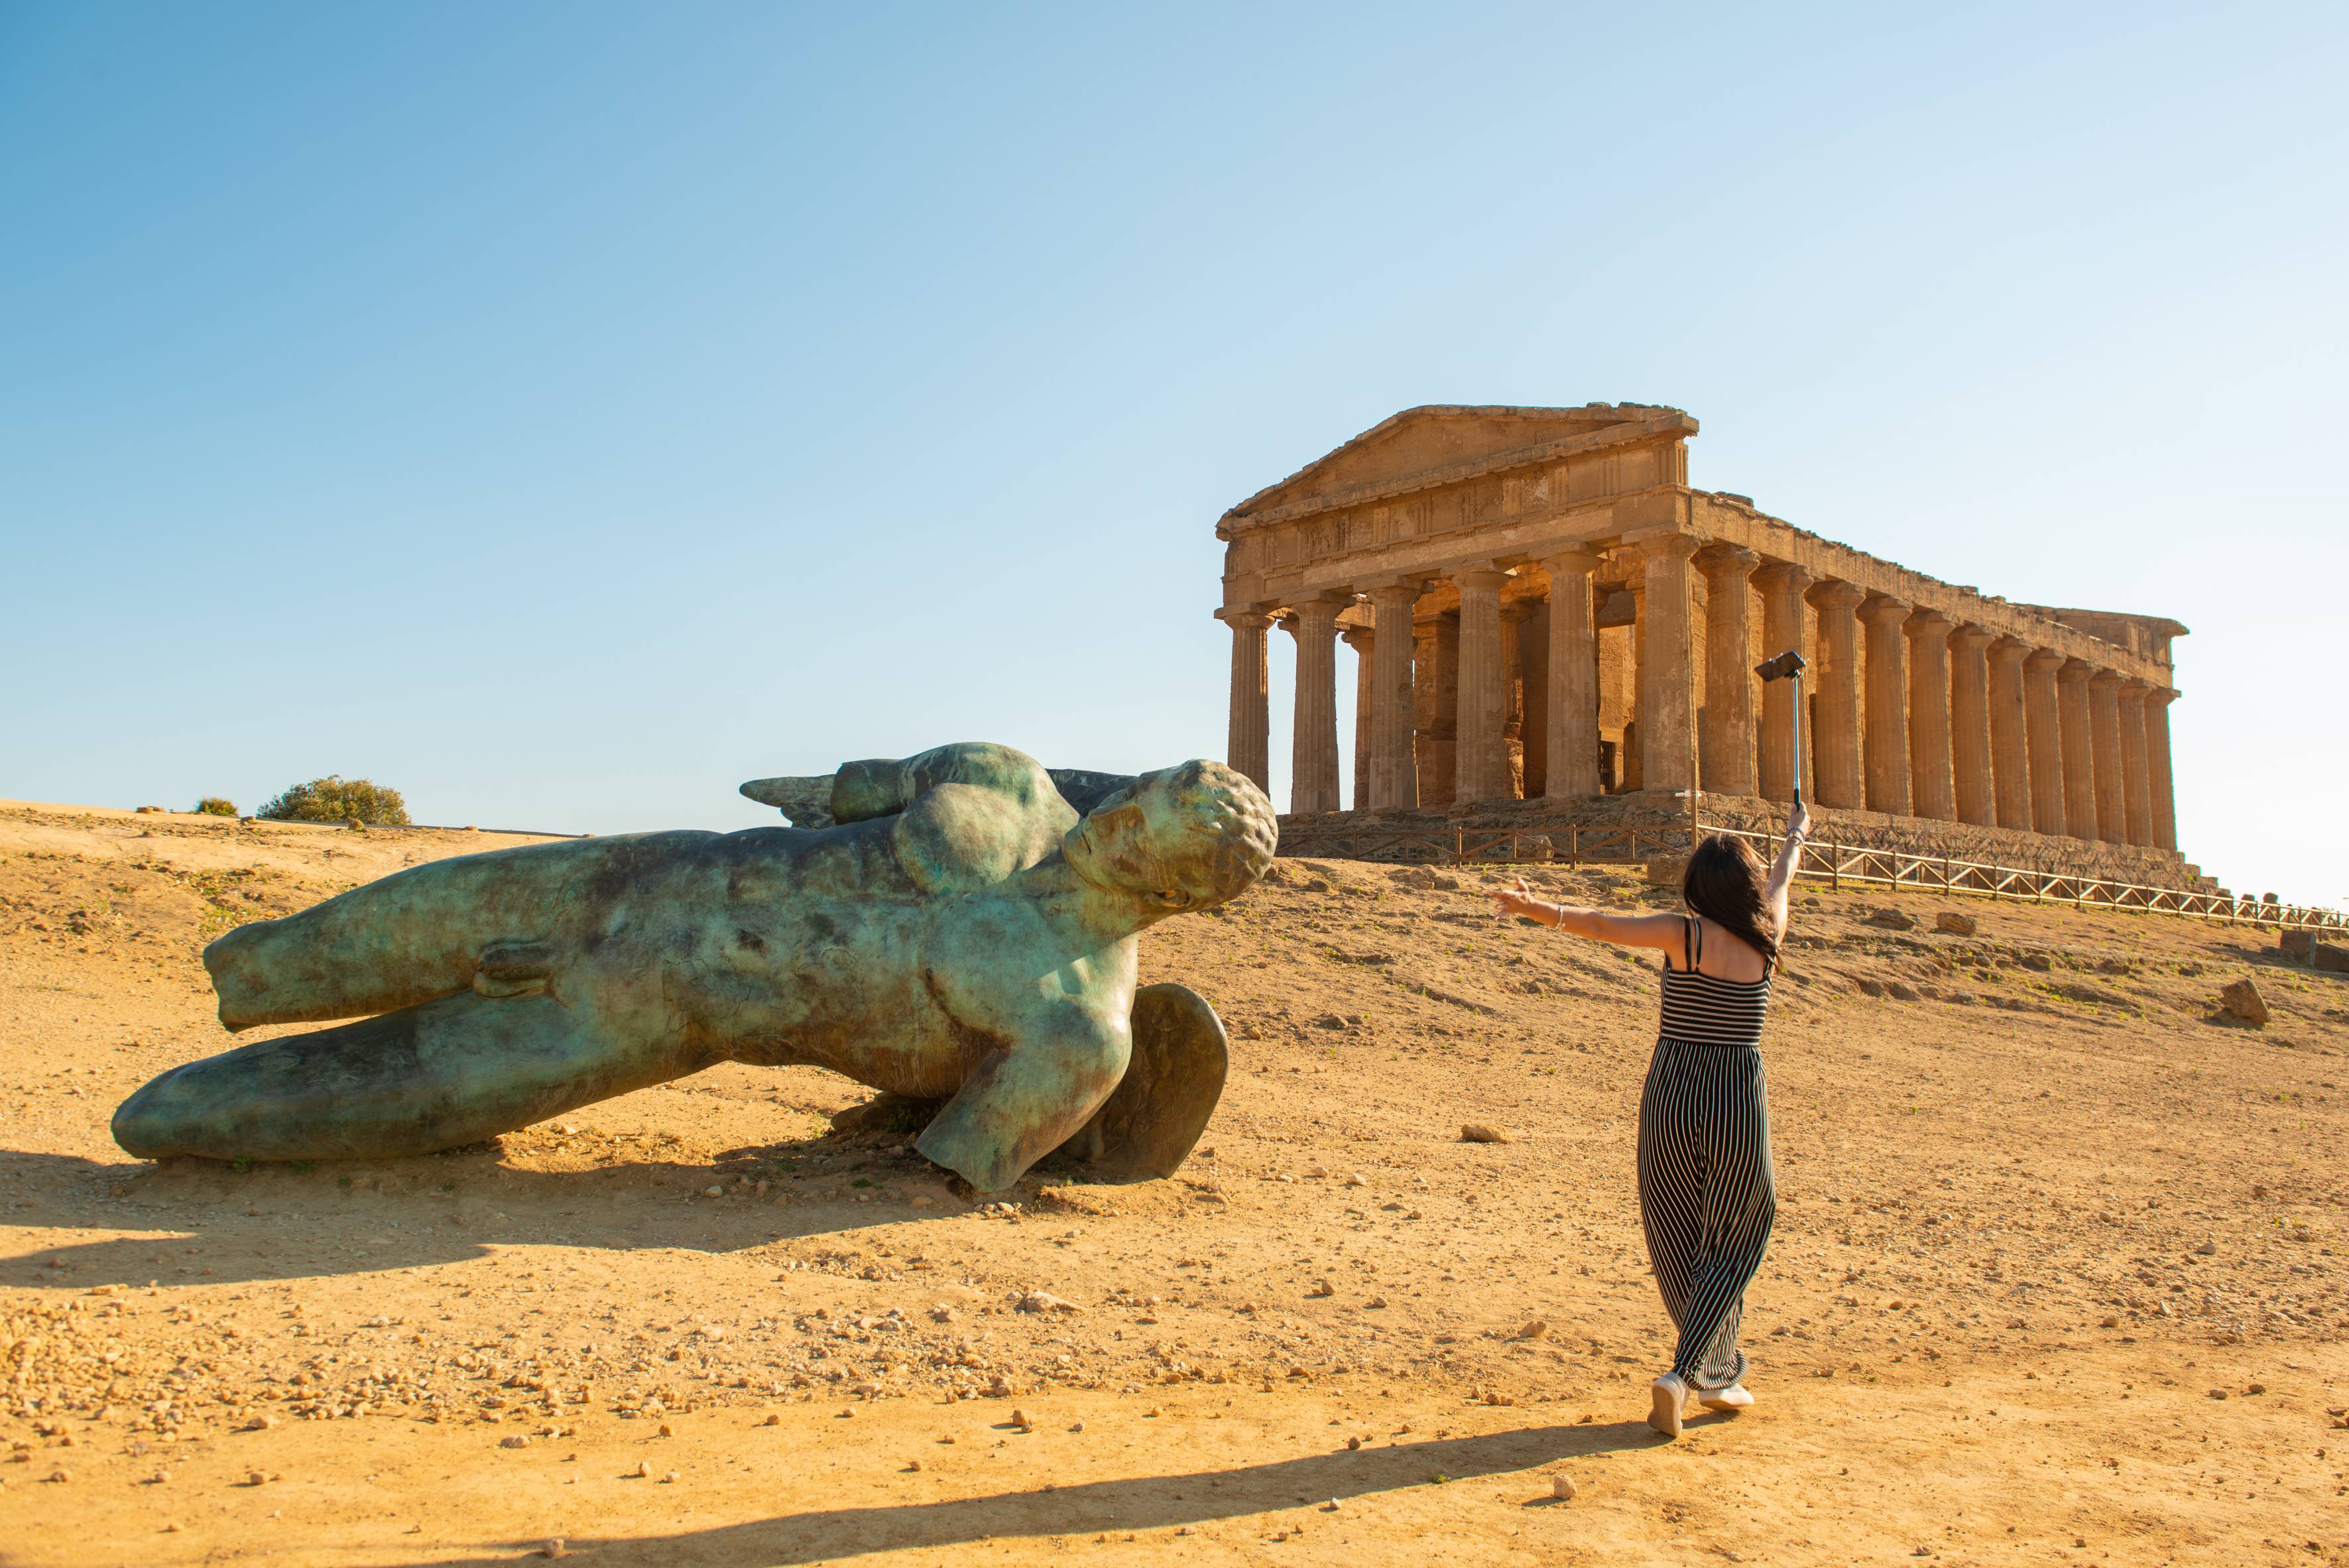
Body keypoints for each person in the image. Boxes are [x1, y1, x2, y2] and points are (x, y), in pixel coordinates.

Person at [113, 743, 1278, 1193]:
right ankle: (260, 979)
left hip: (641, 1018)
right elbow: (853, 785)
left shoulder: (1080, 1029)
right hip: (642, 876)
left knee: (173, 1117)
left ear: (1176, 897)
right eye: (1133, 799)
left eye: (1139, 841)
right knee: (269, 961)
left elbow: (939, 1173)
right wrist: (815, 792)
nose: (1108, 824)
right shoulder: (1009, 781)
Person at [1490, 800, 1809, 1438]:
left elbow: (1603, 924)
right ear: (1745, 889)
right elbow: (1781, 881)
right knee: (1739, 1230)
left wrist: (1533, 909)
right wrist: (1795, 835)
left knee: (1675, 1226)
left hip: (1670, 1090)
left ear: (1694, 887)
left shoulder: (1681, 934)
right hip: (1735, 1095)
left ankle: (1714, 1372)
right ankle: (1688, 1373)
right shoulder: (1766, 934)